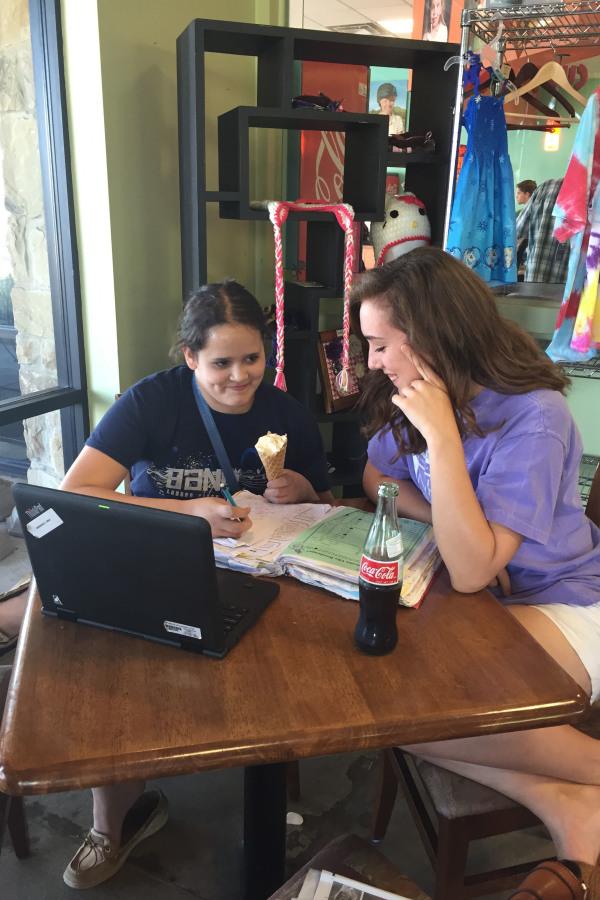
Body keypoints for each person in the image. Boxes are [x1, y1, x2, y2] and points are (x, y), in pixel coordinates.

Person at [58, 279, 333, 889]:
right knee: (115, 674)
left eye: (252, 358)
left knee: (284, 669)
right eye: (221, 363)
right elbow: (79, 494)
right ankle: (114, 822)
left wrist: (303, 491)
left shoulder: (285, 413)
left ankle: (264, 779)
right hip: (155, 566)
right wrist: (188, 514)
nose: (241, 376)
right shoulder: (153, 403)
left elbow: (326, 498)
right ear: (189, 357)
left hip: (263, 577)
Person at [350, 247, 600, 896]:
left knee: (409, 709)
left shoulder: (533, 417)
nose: (372, 361)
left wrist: (442, 442)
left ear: (432, 338)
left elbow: (468, 571)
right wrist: (447, 518)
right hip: (491, 601)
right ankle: (566, 805)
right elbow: (376, 475)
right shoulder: (429, 393)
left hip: (568, 600)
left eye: (380, 345)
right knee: (388, 700)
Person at [516, 178, 570, 282]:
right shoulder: (593, 194)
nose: (516, 196)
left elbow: (519, 230)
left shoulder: (548, 187)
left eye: (518, 193)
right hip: (568, 287)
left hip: (535, 277)